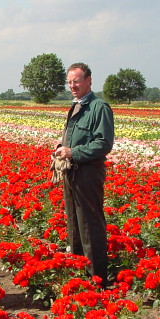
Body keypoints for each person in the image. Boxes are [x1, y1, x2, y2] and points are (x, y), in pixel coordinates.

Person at [53, 62, 114, 288]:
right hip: (72, 170)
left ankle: (97, 278)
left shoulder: (99, 107)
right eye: (70, 82)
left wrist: (74, 151)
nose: (73, 86)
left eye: (77, 81)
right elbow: (75, 136)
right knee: (74, 224)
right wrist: (63, 146)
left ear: (89, 80)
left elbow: (104, 143)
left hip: (88, 171)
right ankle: (79, 272)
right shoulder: (77, 106)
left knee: (90, 225)